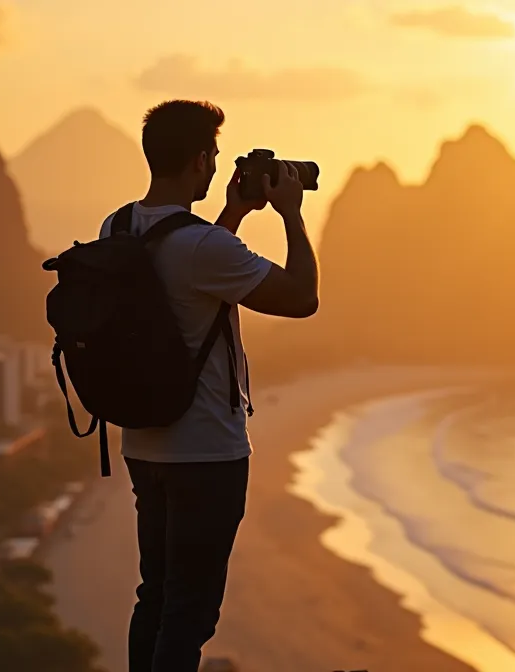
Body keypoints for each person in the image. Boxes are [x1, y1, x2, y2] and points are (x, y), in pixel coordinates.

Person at [97, 100, 319, 672]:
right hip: (206, 452)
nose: (218, 165)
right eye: (215, 155)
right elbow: (301, 299)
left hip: (143, 443)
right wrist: (291, 214)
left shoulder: (117, 227)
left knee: (157, 592)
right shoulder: (203, 247)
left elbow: (191, 278)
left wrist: (234, 215)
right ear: (200, 159)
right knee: (191, 611)